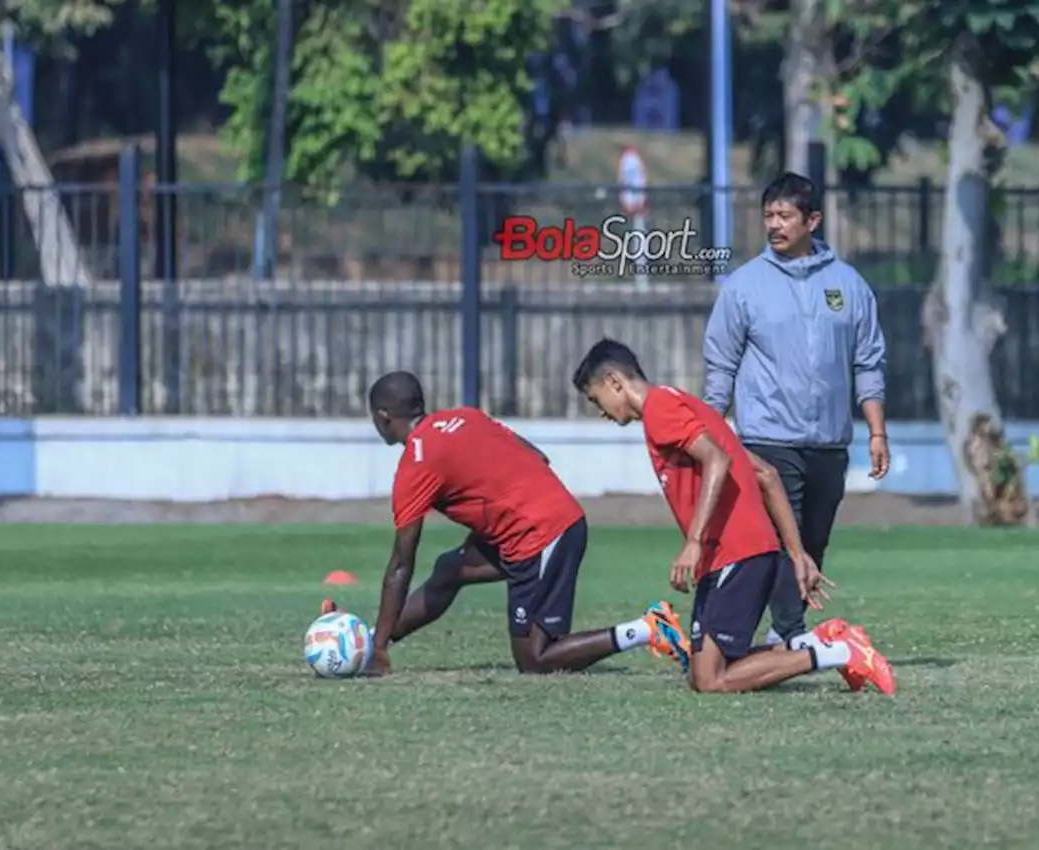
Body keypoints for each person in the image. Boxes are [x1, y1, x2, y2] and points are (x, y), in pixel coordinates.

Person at [573, 338, 896, 695]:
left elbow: (717, 460)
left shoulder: (660, 409)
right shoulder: (685, 404)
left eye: (595, 398)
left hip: (738, 552)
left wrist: (693, 542)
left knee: (712, 680)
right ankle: (819, 642)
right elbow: (765, 474)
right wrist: (796, 553)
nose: (600, 410)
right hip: (734, 554)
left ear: (614, 381)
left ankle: (841, 652)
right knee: (702, 674)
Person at [324, 370, 690, 677]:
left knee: (535, 659)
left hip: (544, 535)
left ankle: (647, 628)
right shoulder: (465, 417)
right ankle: (370, 639)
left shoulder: (416, 466)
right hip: (548, 520)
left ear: (383, 417)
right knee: (452, 568)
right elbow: (537, 456)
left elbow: (401, 564)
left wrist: (381, 653)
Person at [702, 171, 891, 649]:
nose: (774, 224)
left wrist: (876, 433)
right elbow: (720, 366)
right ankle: (786, 636)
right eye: (768, 215)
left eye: (785, 215)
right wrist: (706, 432)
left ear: (813, 220)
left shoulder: (848, 285)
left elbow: (868, 360)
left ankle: (778, 634)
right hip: (769, 439)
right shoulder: (745, 286)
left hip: (829, 442)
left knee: (814, 543)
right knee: (782, 546)